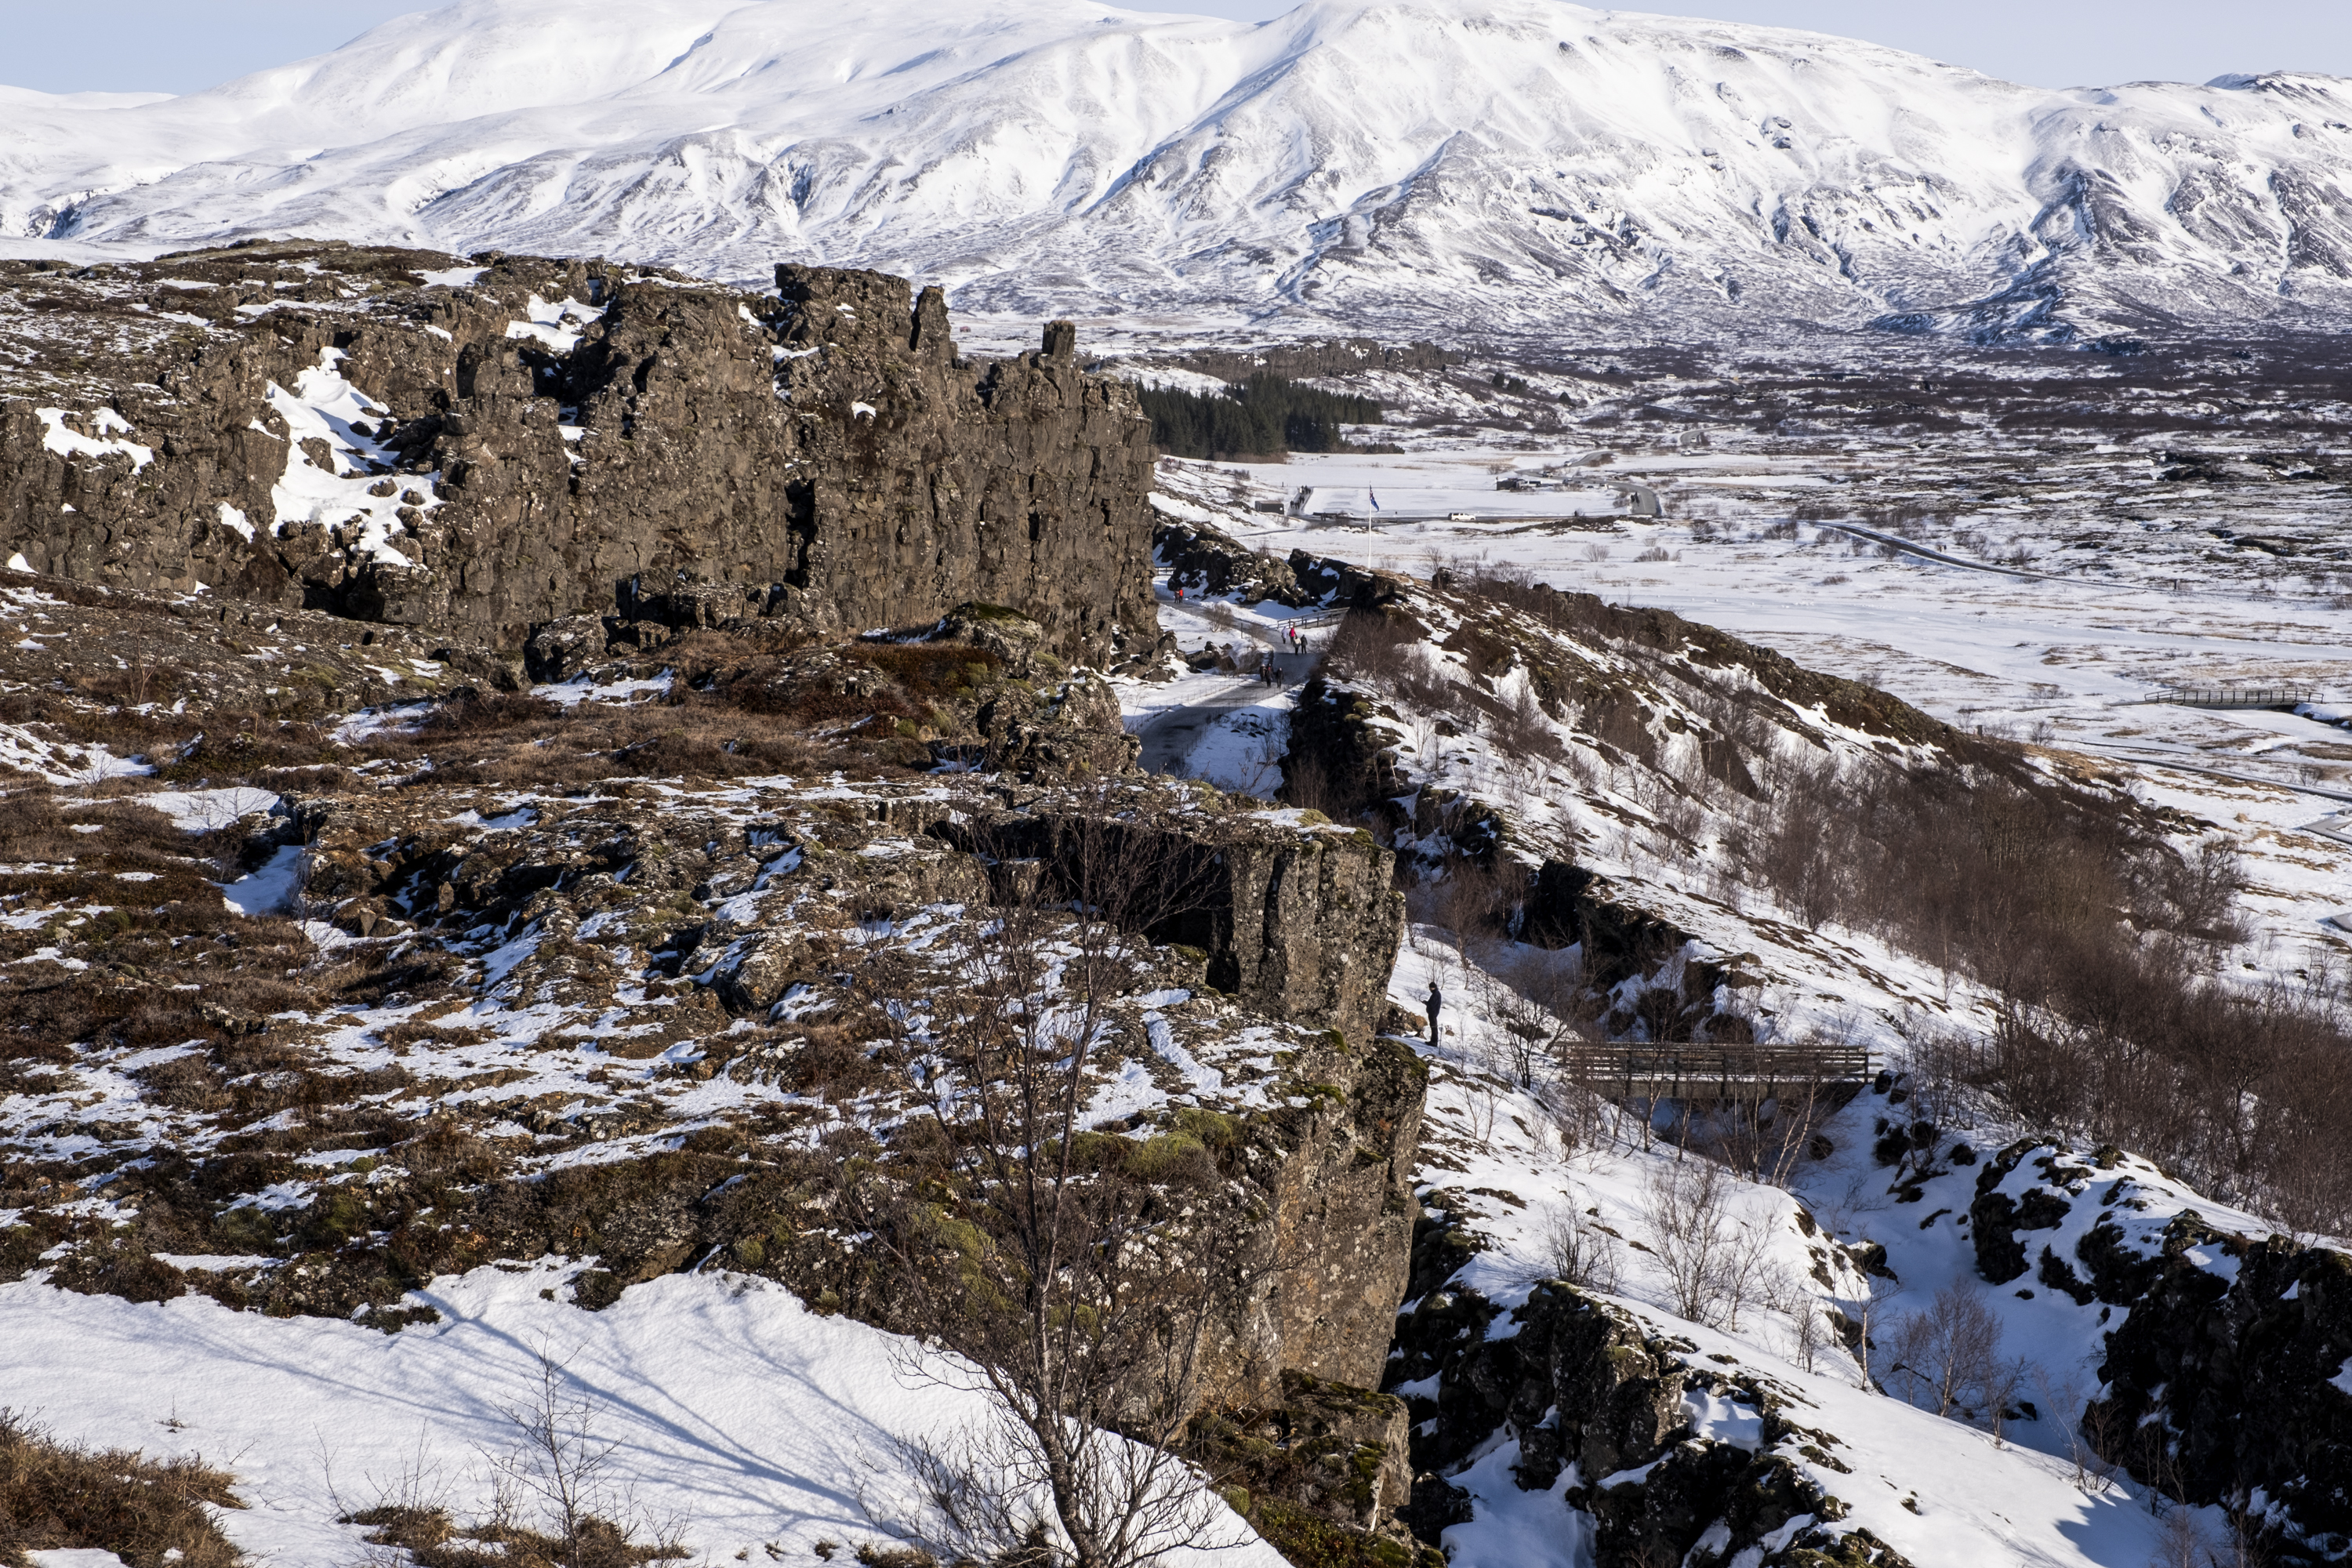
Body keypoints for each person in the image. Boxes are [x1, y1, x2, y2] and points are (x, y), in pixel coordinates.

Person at [1425, 979, 1442, 1045]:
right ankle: (1433, 1041)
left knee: (1434, 1027)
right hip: (1434, 1012)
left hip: (1433, 1013)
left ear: (1432, 988)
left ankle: (1434, 1042)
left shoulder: (1435, 994)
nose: (1430, 989)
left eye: (1430, 988)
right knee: (1433, 1027)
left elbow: (1432, 1004)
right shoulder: (1436, 993)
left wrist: (1426, 1003)